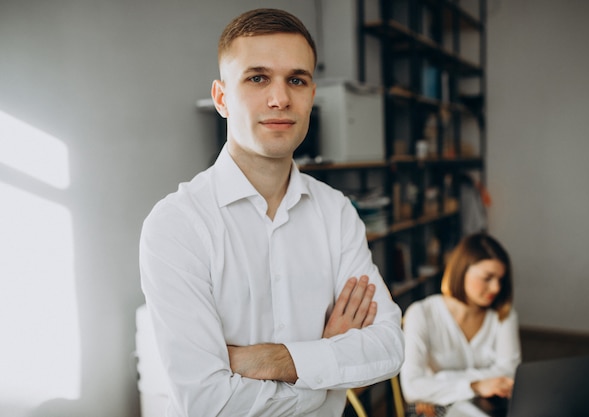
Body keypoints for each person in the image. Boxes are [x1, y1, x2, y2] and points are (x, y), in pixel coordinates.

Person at [139, 8, 404, 417]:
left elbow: (389, 347)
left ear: (311, 96)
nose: (280, 98)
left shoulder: (336, 212)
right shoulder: (176, 225)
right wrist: (324, 366)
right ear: (222, 98)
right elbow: (210, 403)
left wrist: (272, 359)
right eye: (257, 78)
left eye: (296, 80)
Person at [400, 233, 521, 417]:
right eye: (487, 278)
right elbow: (412, 387)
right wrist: (477, 385)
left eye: (500, 280)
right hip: (435, 408)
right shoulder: (421, 314)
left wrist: (440, 380)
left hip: (483, 406)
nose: (496, 288)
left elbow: (510, 373)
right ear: (462, 271)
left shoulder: (503, 314)